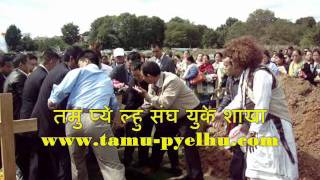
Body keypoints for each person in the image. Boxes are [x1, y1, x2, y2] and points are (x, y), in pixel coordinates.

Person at [216, 36, 299, 180]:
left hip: (274, 127)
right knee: (257, 171)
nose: (230, 62)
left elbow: (262, 105)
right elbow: (240, 99)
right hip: (260, 126)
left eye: (232, 59)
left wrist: (253, 132)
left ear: (241, 58)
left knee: (276, 172)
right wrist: (224, 113)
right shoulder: (245, 75)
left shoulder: (261, 74)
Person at [48, 50, 125, 180]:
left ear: (86, 61)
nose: (79, 66)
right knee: (110, 165)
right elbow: (113, 104)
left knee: (77, 163)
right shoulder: (106, 79)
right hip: (96, 119)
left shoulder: (76, 72)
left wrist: (52, 102)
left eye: (80, 63)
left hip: (73, 119)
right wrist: (115, 119)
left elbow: (59, 92)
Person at [135, 61, 204, 180]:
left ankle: (196, 176)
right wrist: (134, 116)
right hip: (174, 113)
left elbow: (164, 103)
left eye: (143, 76)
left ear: (149, 76)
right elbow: (149, 104)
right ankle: (154, 166)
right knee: (159, 136)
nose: (142, 79)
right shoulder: (153, 83)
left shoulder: (172, 80)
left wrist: (146, 95)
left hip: (190, 112)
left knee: (188, 144)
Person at [31, 46, 83, 180]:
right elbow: (62, 105)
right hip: (52, 126)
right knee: (63, 163)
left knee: (53, 164)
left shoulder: (59, 69)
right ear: (72, 59)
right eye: (80, 61)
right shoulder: (65, 73)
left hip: (47, 123)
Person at [3, 54, 31, 179]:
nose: (31, 67)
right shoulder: (19, 77)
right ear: (21, 64)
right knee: (21, 154)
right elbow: (25, 100)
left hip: (10, 118)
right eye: (29, 63)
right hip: (16, 121)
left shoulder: (11, 75)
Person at [217, 57, 244, 180]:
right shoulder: (230, 79)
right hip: (235, 116)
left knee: (239, 146)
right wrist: (220, 110)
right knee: (236, 145)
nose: (224, 68)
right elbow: (228, 97)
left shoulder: (246, 79)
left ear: (235, 65)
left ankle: (236, 176)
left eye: (226, 65)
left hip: (248, 118)